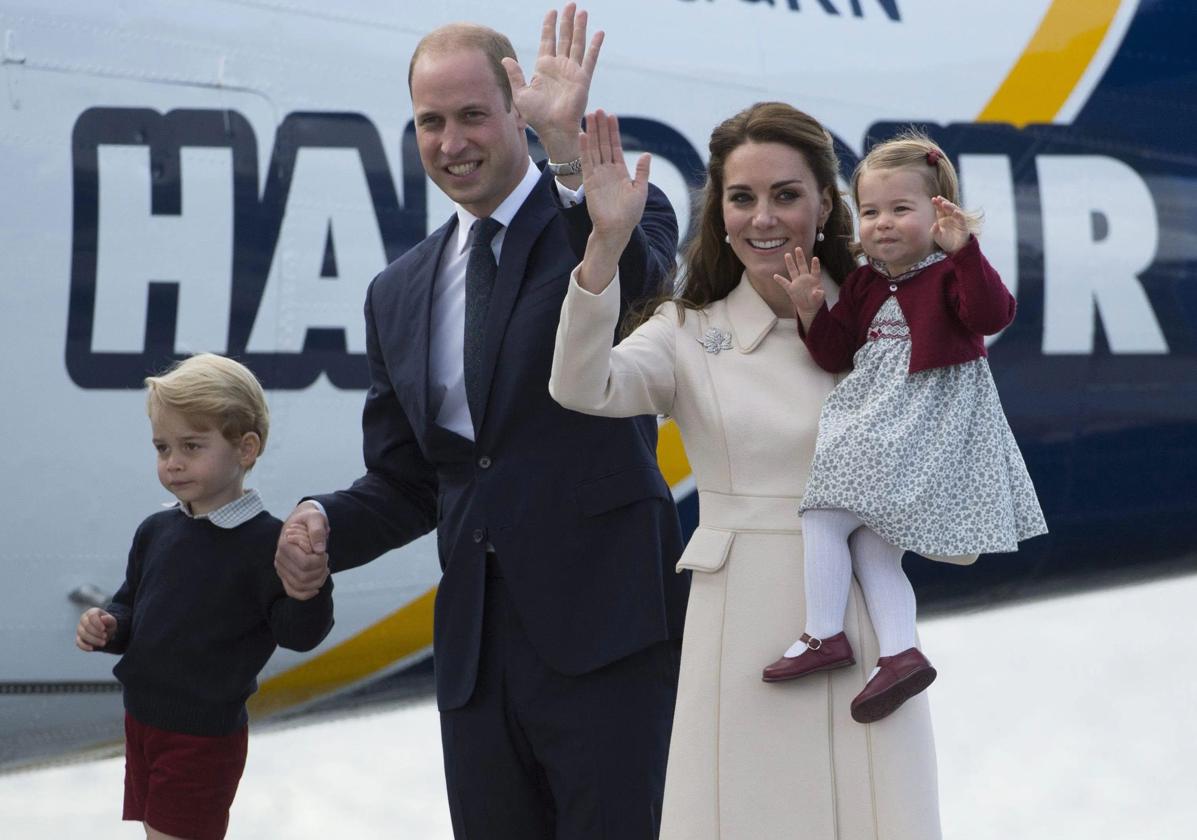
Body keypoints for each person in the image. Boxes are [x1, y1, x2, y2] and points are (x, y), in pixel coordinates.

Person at [272, 6, 688, 838]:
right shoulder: (398, 290)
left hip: (607, 634)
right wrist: (321, 523)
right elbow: (406, 482)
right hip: (474, 655)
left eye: (472, 116)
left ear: (517, 114)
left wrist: (569, 158)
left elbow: (638, 287)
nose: (450, 141)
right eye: (431, 121)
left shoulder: (611, 211)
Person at [550, 103, 942, 838]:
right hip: (743, 634)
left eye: (786, 195)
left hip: (865, 632)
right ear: (717, 211)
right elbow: (582, 386)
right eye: (741, 197)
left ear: (826, 205)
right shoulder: (687, 332)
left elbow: (946, 444)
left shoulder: (891, 316)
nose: (763, 219)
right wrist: (604, 246)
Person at [762, 132, 1047, 722]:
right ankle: (900, 653)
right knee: (871, 544)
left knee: (823, 511)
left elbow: (993, 314)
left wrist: (964, 252)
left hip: (921, 422)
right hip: (882, 416)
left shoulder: (949, 274)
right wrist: (811, 309)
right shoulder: (866, 283)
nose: (883, 224)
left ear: (939, 214)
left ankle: (824, 635)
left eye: (900, 209)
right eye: (870, 212)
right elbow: (836, 353)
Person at [74, 353, 333, 840]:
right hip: (143, 722)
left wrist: (310, 585)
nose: (172, 462)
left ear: (246, 448)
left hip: (202, 737)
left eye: (192, 446)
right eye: (162, 447)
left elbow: (300, 634)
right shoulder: (156, 530)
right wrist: (108, 624)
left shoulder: (268, 544)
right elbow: (132, 606)